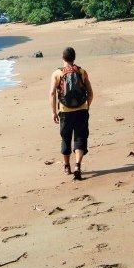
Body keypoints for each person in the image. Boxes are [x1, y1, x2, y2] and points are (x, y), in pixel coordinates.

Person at [49, 46, 93, 180]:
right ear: (74, 58)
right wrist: (86, 107)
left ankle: (67, 166)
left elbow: (52, 94)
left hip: (65, 111)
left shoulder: (57, 73)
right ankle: (78, 165)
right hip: (81, 110)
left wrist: (53, 112)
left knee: (66, 138)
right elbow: (90, 93)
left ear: (63, 58)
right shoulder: (82, 72)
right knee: (80, 138)